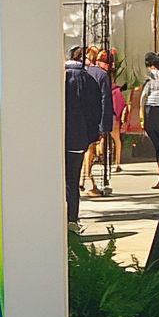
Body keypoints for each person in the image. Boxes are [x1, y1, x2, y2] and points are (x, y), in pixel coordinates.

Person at [65, 51, 104, 223]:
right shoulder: (89, 79)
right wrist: (92, 135)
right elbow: (96, 110)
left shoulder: (61, 78)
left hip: (60, 137)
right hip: (80, 139)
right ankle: (72, 218)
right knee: (73, 180)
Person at [76, 46, 113, 196]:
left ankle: (84, 179)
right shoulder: (101, 75)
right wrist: (105, 124)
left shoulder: (80, 73)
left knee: (85, 150)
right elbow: (105, 100)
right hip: (95, 119)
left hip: (79, 117)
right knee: (90, 150)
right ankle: (86, 179)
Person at [140, 52, 159, 189]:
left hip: (151, 108)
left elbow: (143, 98)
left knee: (154, 138)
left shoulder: (151, 79)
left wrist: (141, 117)